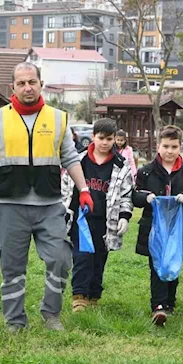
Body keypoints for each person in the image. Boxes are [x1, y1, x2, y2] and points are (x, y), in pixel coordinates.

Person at [0, 62, 92, 333]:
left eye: (32, 82)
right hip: (11, 205)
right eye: (21, 83)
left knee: (60, 259)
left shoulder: (58, 118)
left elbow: (70, 157)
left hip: (49, 205)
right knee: (12, 267)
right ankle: (15, 322)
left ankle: (51, 314)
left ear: (41, 84)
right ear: (13, 87)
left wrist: (84, 190)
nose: (27, 87)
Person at [133, 125, 183, 327]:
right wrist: (147, 198)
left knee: (173, 263)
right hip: (154, 228)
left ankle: (170, 301)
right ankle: (158, 306)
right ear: (158, 146)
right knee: (156, 265)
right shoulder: (146, 172)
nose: (169, 151)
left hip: (179, 228)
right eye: (165, 146)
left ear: (180, 146)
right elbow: (134, 195)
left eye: (174, 146)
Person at [62, 119, 133, 312]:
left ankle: (93, 295)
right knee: (82, 256)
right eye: (101, 138)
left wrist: (124, 216)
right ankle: (79, 296)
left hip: (106, 221)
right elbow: (66, 187)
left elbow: (126, 194)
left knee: (99, 259)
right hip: (81, 218)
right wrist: (64, 211)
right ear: (93, 137)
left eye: (109, 139)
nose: (105, 143)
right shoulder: (79, 160)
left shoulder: (121, 165)